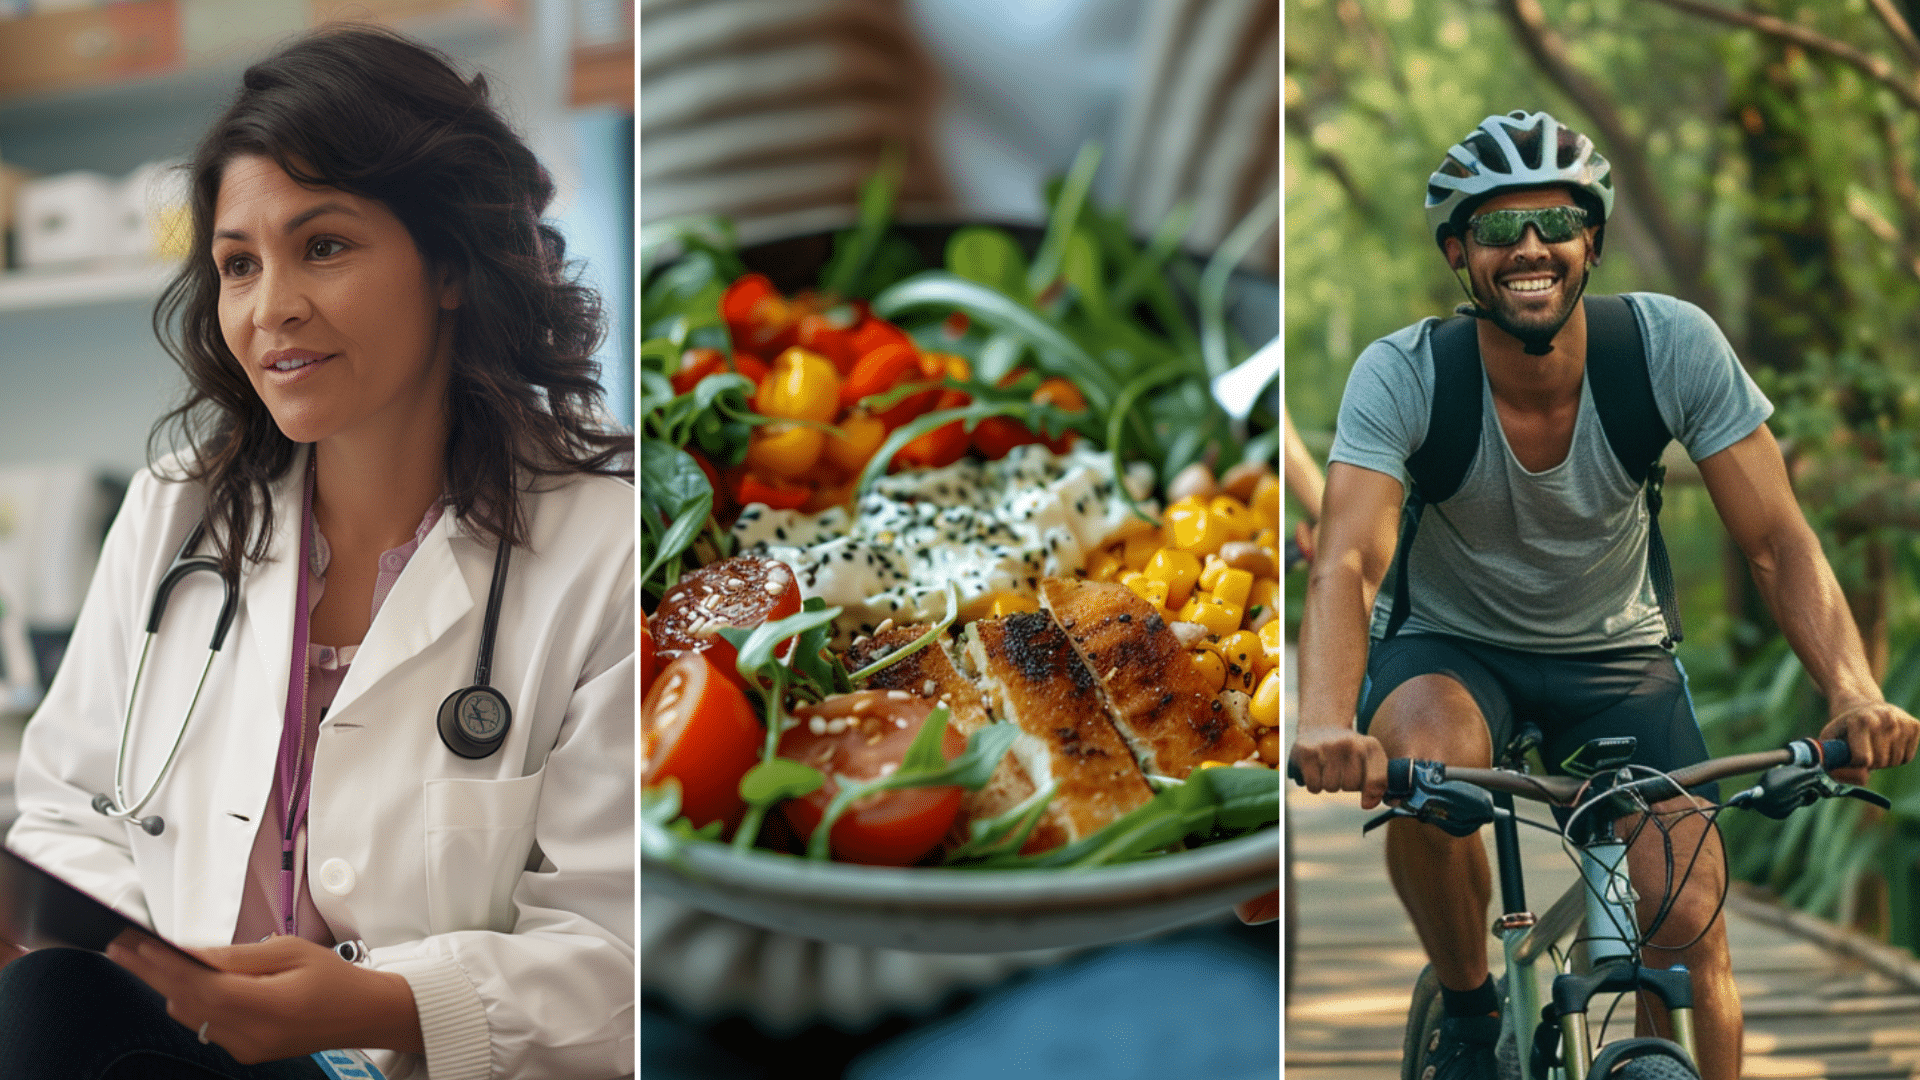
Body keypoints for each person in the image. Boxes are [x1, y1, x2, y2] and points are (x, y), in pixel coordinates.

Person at [0, 27, 634, 1080]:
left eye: (324, 246)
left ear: (450, 266)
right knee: (44, 1005)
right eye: (238, 264)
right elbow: (72, 814)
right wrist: (145, 961)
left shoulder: (602, 546)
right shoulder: (176, 510)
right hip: (183, 1056)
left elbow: (618, 954)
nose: (271, 307)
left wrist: (394, 1003)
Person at [1288, 110, 1920, 1080]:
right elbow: (1346, 564)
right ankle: (1465, 1010)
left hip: (1619, 657)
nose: (1530, 247)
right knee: (1426, 767)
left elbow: (1777, 540)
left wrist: (1855, 690)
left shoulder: (1671, 348)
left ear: (1593, 241)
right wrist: (1333, 723)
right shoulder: (1405, 374)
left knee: (1689, 917)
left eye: (1555, 222)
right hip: (1454, 650)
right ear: (1460, 252)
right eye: (1499, 228)